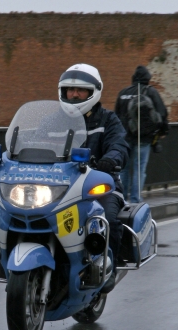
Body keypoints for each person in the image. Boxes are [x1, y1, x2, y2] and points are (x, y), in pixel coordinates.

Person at [58, 63, 130, 293]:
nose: (74, 94)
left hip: (99, 184)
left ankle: (111, 265)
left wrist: (112, 158)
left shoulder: (108, 120)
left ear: (94, 92)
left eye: (81, 90)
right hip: (60, 186)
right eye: (70, 89)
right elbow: (29, 142)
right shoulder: (53, 121)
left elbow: (119, 143)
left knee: (107, 217)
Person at [115, 65, 169, 203]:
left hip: (124, 138)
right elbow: (162, 113)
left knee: (124, 169)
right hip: (143, 138)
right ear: (147, 78)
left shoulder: (123, 92)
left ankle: (121, 198)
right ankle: (136, 199)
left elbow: (116, 116)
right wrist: (163, 132)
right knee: (139, 169)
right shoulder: (151, 92)